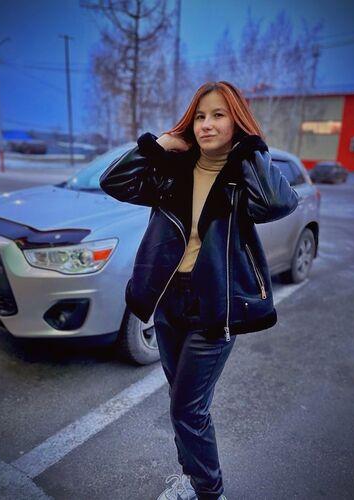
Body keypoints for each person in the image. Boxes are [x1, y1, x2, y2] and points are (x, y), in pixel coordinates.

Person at [99, 81, 298, 500]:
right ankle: (193, 480)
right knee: (183, 402)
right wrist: (156, 146)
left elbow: (278, 203)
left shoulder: (242, 177)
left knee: (187, 409)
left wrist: (250, 148)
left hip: (216, 304)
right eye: (200, 116)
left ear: (236, 121)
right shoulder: (173, 171)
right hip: (170, 300)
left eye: (218, 115)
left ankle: (209, 491)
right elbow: (113, 181)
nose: (207, 124)